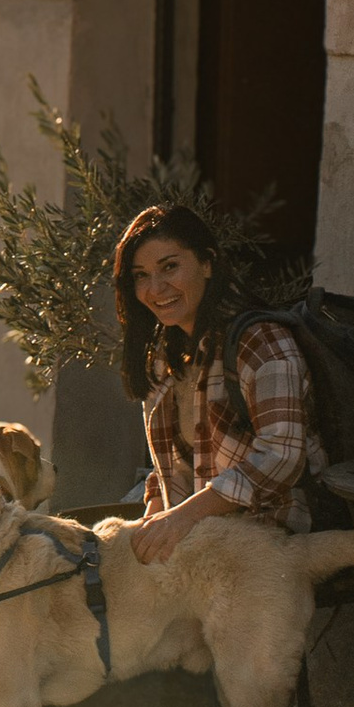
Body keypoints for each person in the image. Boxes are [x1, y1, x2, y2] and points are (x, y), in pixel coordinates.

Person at [112, 199, 315, 562]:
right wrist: (155, 518)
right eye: (141, 275)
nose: (155, 289)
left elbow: (282, 455)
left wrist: (182, 517)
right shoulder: (165, 352)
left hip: (269, 535)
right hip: (201, 534)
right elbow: (171, 465)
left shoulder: (261, 340)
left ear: (207, 263)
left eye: (169, 267)